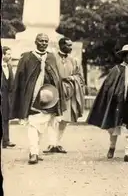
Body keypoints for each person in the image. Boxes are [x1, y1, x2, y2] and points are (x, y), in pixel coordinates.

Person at [86, 44, 128, 163]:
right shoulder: (116, 69)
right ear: (124, 57)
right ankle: (112, 147)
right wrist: (113, 96)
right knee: (113, 128)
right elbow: (108, 86)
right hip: (117, 103)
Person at [11, 33, 66, 164]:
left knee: (42, 126)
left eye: (46, 41)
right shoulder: (27, 57)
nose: (43, 43)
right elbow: (19, 79)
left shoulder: (51, 57)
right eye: (41, 41)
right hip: (31, 98)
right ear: (35, 42)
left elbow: (57, 78)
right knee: (32, 124)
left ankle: (34, 151)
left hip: (48, 98)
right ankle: (34, 153)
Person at [44, 37, 85, 154]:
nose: (71, 48)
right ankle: (52, 144)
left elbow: (80, 77)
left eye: (71, 45)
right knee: (53, 118)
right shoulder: (52, 58)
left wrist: (72, 78)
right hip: (55, 92)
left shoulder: (74, 60)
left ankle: (58, 143)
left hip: (69, 92)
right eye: (68, 45)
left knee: (65, 120)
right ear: (61, 45)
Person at [1, 46, 16, 148]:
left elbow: (12, 83)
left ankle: (6, 140)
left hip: (6, 97)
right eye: (8, 54)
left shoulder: (9, 66)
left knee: (5, 118)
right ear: (3, 54)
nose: (10, 56)